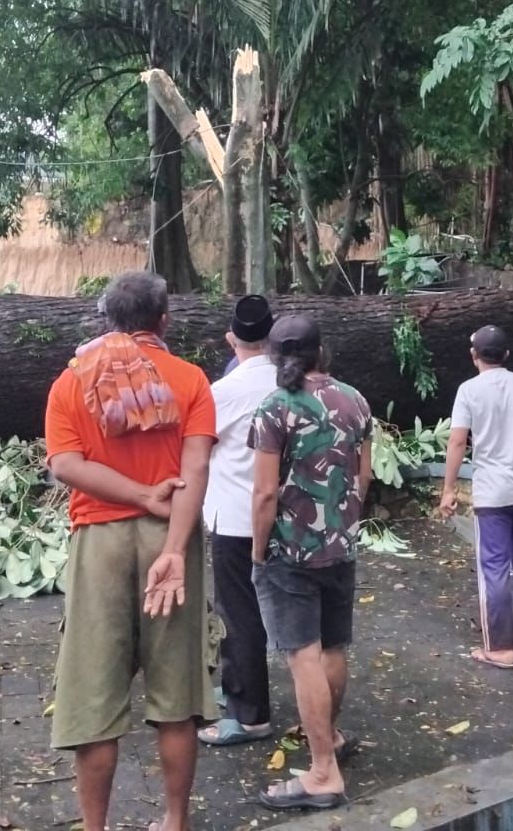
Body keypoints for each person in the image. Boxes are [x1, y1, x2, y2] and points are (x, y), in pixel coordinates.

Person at [44, 271, 218, 831]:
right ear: (164, 320)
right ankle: (174, 821)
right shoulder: (190, 380)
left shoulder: (72, 381)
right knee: (176, 695)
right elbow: (195, 470)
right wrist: (174, 549)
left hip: (100, 541)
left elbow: (65, 465)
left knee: (95, 695)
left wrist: (138, 494)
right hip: (171, 535)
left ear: (107, 319)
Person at [249, 315, 372, 813]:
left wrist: (258, 551)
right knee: (333, 646)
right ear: (322, 351)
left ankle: (323, 772)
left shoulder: (275, 408)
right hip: (339, 544)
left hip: (290, 550)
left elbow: (264, 493)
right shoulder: (355, 400)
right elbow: (363, 478)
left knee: (303, 657)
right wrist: (342, 525)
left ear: (276, 357)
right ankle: (331, 738)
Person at [438, 325, 513, 669]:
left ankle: (500, 648)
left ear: (474, 356)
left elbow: (458, 441)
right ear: (506, 355)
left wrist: (449, 489)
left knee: (494, 566)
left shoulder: (469, 390)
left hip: (492, 492)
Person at [200, 294, 278, 747]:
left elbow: (200, 448)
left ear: (232, 339)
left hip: (235, 518)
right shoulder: (294, 385)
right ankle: (238, 687)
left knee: (239, 614)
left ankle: (250, 715)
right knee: (275, 609)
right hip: (286, 516)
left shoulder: (223, 392)